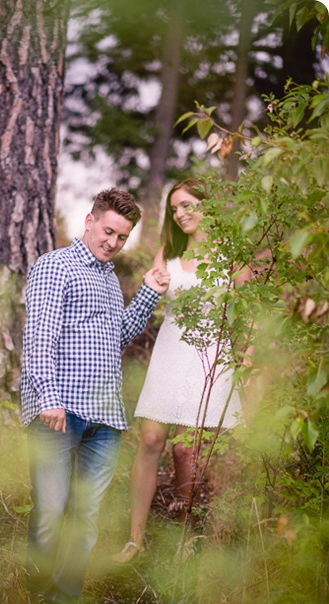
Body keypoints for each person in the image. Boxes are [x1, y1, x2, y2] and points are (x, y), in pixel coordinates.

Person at [21, 187, 170, 604]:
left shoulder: (108, 277)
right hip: (58, 412)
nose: (113, 243)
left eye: (122, 237)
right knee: (50, 513)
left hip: (104, 418)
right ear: (89, 221)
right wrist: (48, 398)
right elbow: (39, 337)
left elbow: (121, 335)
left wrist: (148, 291)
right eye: (108, 231)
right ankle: (34, 595)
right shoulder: (54, 266)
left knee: (84, 521)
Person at [112, 178, 248, 564]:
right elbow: (148, 296)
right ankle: (135, 539)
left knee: (186, 449)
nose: (181, 214)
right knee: (151, 440)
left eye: (188, 205)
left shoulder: (230, 255)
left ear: (207, 207)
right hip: (171, 353)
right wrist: (152, 285)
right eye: (175, 209)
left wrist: (249, 357)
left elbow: (252, 312)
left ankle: (185, 537)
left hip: (210, 358)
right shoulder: (168, 253)